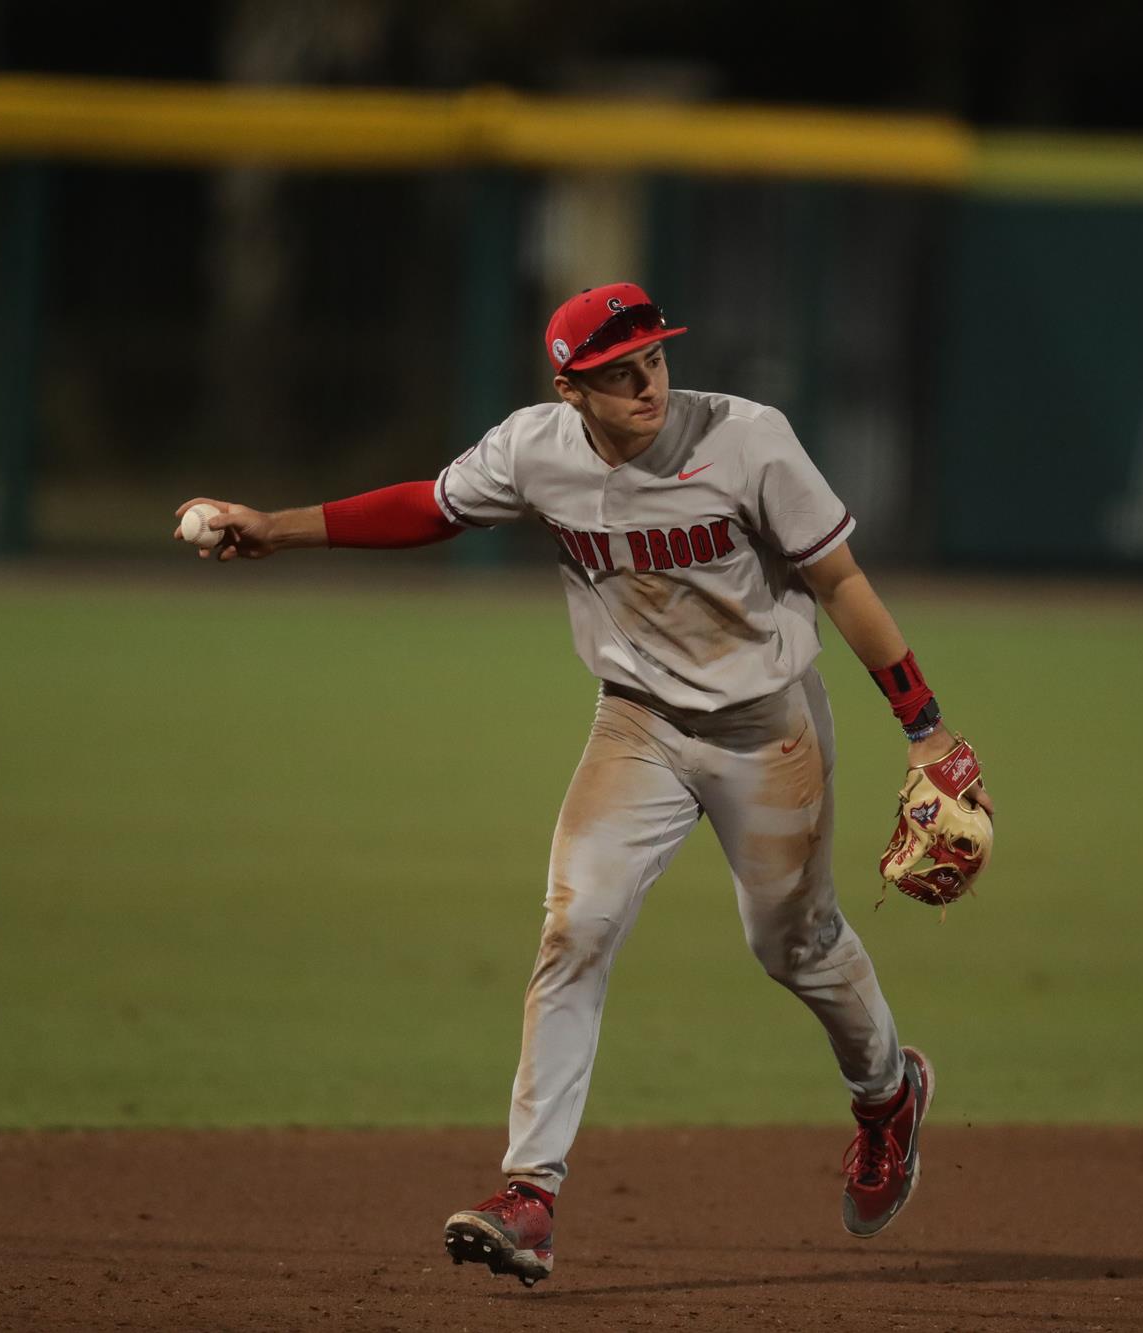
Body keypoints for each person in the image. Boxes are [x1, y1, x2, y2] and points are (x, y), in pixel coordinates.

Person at [174, 282, 990, 1288]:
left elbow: (841, 581)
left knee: (793, 943)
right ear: (570, 388)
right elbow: (430, 506)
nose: (647, 383)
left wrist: (926, 726)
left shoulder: (747, 439)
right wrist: (276, 527)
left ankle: (887, 1094)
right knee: (575, 927)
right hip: (635, 725)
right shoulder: (535, 449)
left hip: (766, 728)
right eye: (617, 373)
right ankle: (530, 1193)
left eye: (654, 357)